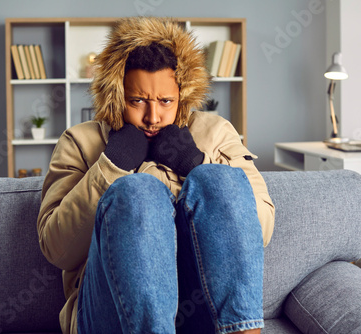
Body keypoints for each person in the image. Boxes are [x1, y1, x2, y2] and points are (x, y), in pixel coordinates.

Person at [37, 16, 275, 334]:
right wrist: (111, 166)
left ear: (184, 96)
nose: (153, 117)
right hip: (110, 311)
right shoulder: (79, 142)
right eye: (137, 101)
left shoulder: (217, 133)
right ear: (116, 94)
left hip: (202, 306)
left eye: (166, 102)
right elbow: (58, 249)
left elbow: (261, 230)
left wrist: (195, 164)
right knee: (138, 191)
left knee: (218, 178)